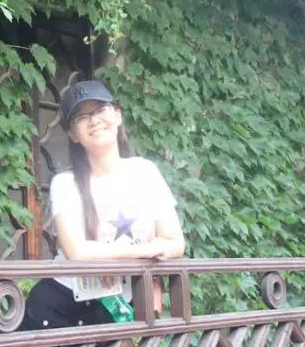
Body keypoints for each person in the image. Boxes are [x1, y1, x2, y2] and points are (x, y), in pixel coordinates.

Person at [18, 80, 186, 345]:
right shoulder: (66, 183)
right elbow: (77, 252)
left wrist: (110, 257)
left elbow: (175, 243)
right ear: (73, 134)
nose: (94, 120)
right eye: (81, 117)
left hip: (116, 306)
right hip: (60, 306)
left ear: (117, 115)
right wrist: (145, 250)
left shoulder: (145, 172)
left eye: (100, 109)